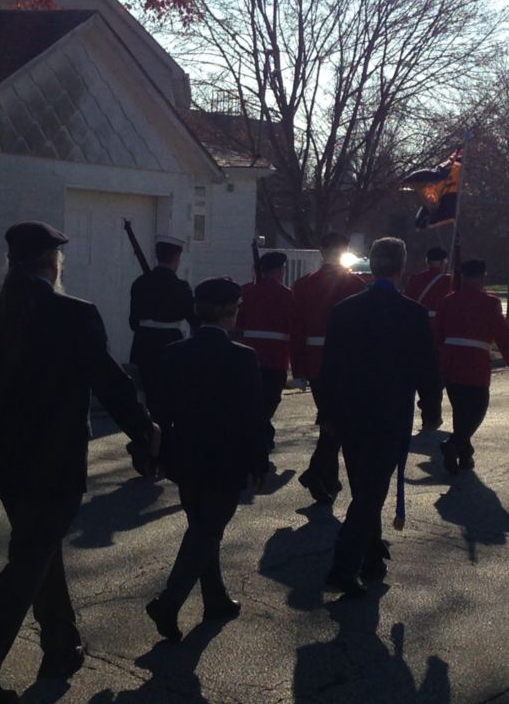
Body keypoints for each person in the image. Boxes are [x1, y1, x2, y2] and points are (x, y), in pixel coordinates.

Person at [0, 221, 157, 704]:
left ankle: (61, 643)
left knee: (38, 547)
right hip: (57, 458)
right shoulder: (74, 313)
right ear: (53, 263)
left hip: (5, 459)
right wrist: (144, 432)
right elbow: (109, 382)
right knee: (30, 556)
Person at [314, 236, 441, 596]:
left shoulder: (345, 309)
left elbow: (329, 367)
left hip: (349, 413)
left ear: (371, 265)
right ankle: (343, 567)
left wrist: (327, 412)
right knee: (370, 493)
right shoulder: (412, 313)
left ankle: (370, 555)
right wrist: (431, 410)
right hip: (389, 414)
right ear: (402, 268)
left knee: (363, 487)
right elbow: (427, 368)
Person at [144, 277, 266, 642]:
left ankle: (215, 598)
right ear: (230, 312)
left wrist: (158, 453)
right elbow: (253, 417)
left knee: (202, 525)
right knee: (207, 530)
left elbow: (160, 410)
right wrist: (259, 462)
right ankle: (169, 602)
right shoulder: (243, 357)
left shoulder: (174, 352)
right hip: (226, 456)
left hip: (185, 453)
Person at [289, 233, 366, 505]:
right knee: (338, 420)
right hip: (346, 362)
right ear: (345, 251)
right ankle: (316, 472)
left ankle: (328, 478)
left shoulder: (303, 285)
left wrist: (298, 367)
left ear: (321, 251)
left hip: (315, 361)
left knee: (330, 417)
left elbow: (297, 330)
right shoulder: (357, 285)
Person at [430, 258, 509, 473]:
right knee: (477, 410)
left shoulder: (446, 301)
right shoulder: (489, 302)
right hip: (475, 363)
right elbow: (503, 335)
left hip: (451, 362)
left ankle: (465, 455)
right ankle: (453, 444)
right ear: (482, 277)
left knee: (460, 411)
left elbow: (437, 335)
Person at [234, 251, 294, 488]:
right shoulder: (287, 295)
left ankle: (259, 438)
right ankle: (257, 447)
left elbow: (237, 323)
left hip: (247, 358)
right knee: (267, 404)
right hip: (275, 358)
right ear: (279, 271)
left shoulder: (246, 291)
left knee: (251, 403)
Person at [128, 232, 193, 399]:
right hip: (171, 342)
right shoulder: (181, 287)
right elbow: (193, 318)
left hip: (143, 343)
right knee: (169, 393)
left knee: (143, 393)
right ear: (176, 257)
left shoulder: (140, 283)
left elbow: (133, 322)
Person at [405, 245, 455, 318]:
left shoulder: (415, 278)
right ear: (442, 262)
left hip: (416, 319)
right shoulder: (448, 280)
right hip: (437, 321)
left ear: (427, 262)